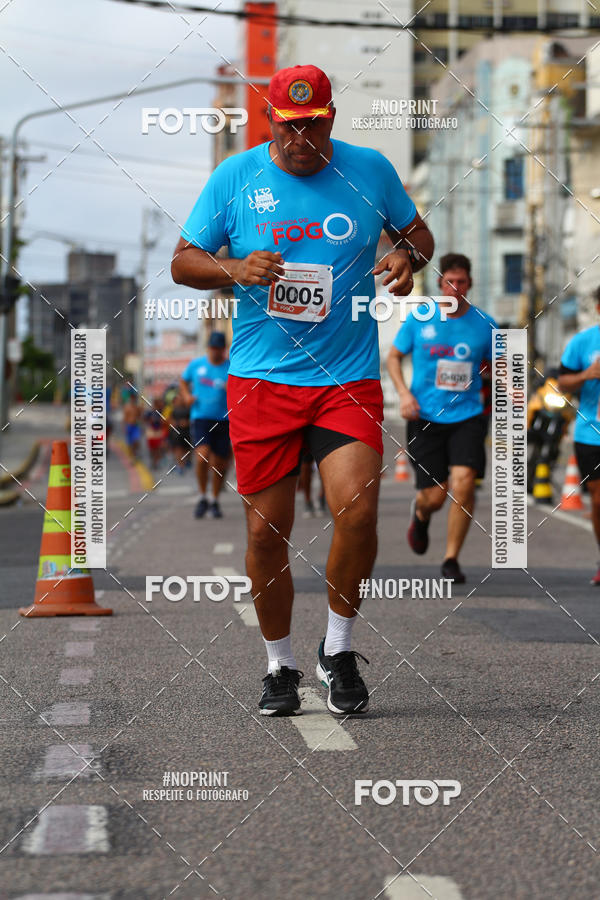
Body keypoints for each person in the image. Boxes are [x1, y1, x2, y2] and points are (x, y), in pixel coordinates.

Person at [172, 64, 433, 716]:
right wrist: (234, 267)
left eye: (312, 125)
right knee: (267, 534)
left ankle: (337, 650)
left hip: (346, 377)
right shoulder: (235, 178)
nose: (300, 139)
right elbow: (181, 261)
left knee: (360, 513)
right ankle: (279, 664)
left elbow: (419, 235)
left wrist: (407, 257)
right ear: (270, 122)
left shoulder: (370, 169)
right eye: (288, 127)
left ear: (330, 119)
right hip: (262, 380)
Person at [387, 252, 496, 584]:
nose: (455, 288)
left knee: (464, 483)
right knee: (435, 496)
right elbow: (394, 357)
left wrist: (503, 388)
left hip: (468, 415)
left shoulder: (485, 323)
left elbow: (501, 367)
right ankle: (420, 515)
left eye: (461, 282)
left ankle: (451, 559)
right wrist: (404, 394)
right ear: (440, 284)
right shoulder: (420, 318)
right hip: (425, 416)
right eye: (450, 282)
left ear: (470, 283)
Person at [558, 286, 600, 584]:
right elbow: (562, 383)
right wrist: (586, 375)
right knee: (599, 500)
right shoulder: (583, 342)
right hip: (591, 434)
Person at [180, 331, 230, 519]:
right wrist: (186, 396)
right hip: (201, 417)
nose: (215, 352)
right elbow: (183, 381)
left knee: (219, 464)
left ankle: (214, 499)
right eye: (212, 348)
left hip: (224, 419)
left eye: (219, 348)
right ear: (208, 348)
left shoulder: (230, 367)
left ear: (223, 349)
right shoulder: (196, 365)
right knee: (202, 457)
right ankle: (202, 496)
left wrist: (232, 389)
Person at [167, 389, 191, 474]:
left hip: (187, 431)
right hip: (176, 432)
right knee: (178, 449)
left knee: (186, 448)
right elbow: (170, 421)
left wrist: (186, 423)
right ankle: (180, 466)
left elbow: (193, 419)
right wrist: (176, 423)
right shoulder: (173, 410)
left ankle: (186, 461)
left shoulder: (188, 409)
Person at [144, 399, 167, 470]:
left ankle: (156, 462)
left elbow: (164, 421)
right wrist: (150, 421)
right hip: (151, 431)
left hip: (158, 432)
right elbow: (145, 419)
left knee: (158, 448)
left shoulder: (161, 412)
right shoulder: (150, 412)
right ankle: (153, 461)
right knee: (152, 449)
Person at [123, 391, 142, 459]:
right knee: (130, 443)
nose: (133, 399)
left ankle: (135, 452)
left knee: (136, 440)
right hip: (129, 425)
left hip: (135, 426)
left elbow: (140, 415)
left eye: (134, 398)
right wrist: (124, 427)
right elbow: (125, 417)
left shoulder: (137, 407)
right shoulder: (127, 407)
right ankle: (132, 456)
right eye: (132, 398)